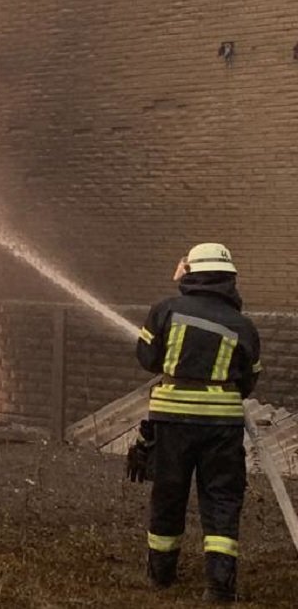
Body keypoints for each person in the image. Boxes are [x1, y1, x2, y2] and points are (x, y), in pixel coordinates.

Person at [135, 242, 262, 602]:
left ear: (189, 272)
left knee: (168, 494)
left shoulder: (166, 310)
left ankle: (161, 575)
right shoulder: (243, 326)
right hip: (221, 425)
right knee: (221, 498)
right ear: (230, 279)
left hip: (172, 419)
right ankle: (219, 587)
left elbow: (147, 357)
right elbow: (248, 380)